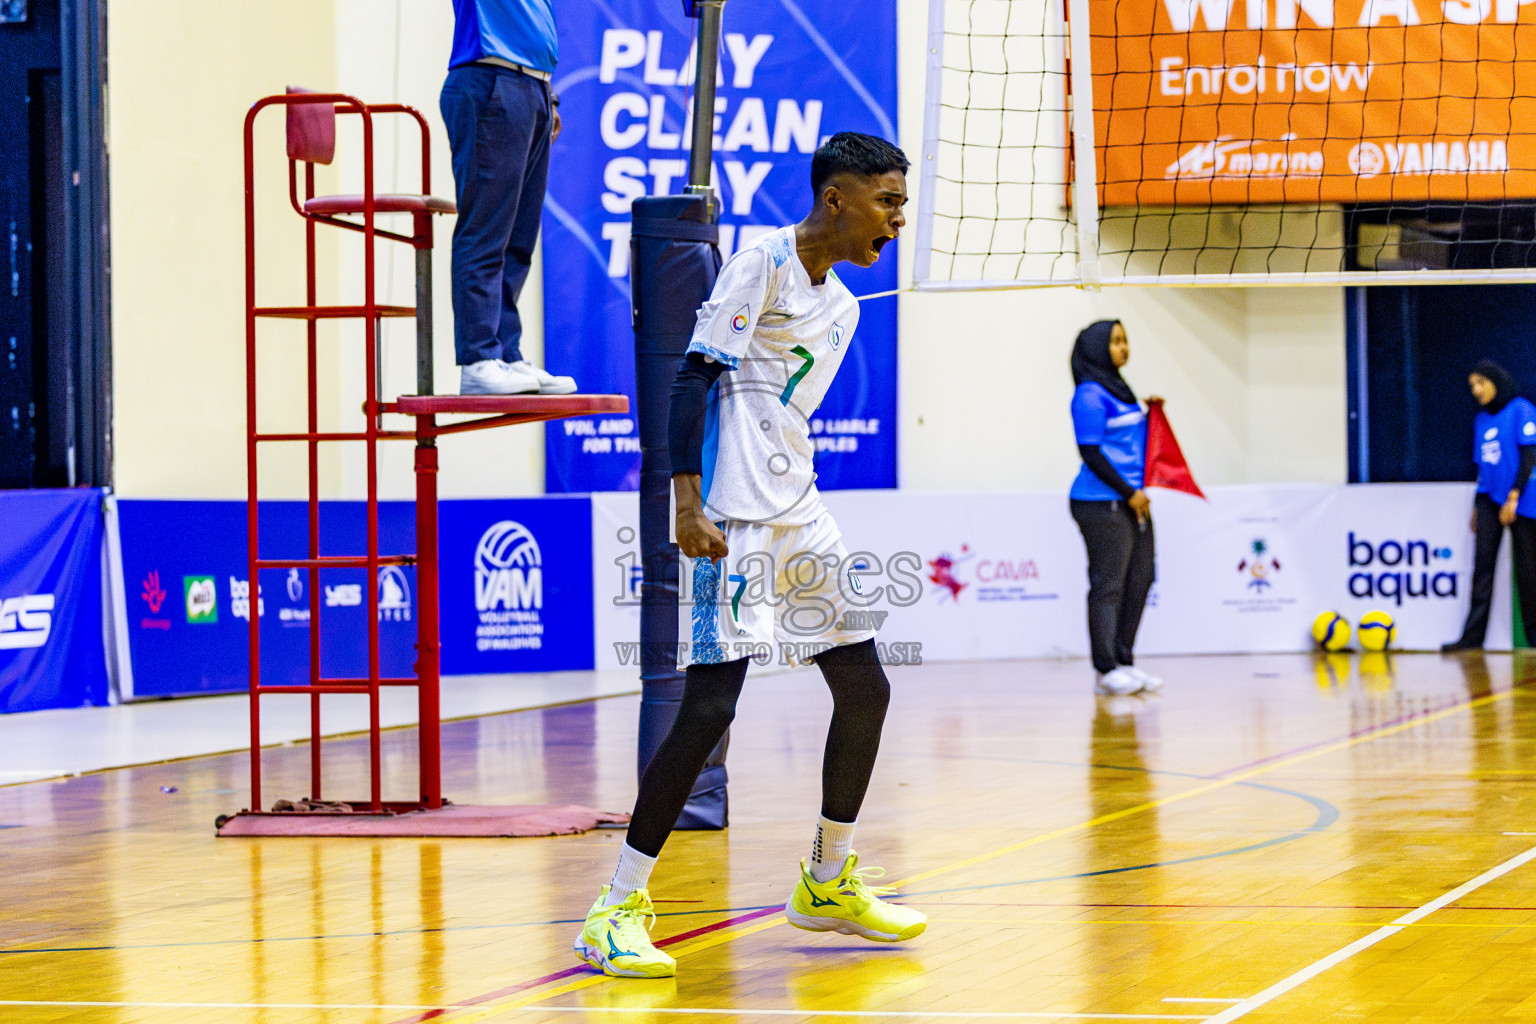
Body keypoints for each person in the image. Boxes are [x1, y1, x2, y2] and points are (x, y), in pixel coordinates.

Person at [573, 133, 925, 979]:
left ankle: (828, 880)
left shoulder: (841, 306)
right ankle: (615, 906)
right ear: (836, 199)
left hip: (799, 512)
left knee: (866, 686)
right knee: (707, 710)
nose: (898, 221)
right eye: (888, 202)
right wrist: (685, 501)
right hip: (730, 515)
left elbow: (777, 414)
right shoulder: (759, 264)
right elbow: (692, 380)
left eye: (902, 204)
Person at [442, 0, 576, 396]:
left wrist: (546, 94)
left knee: (518, 238)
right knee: (486, 230)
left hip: (532, 84)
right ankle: (478, 358)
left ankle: (505, 353)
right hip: (490, 78)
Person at [1068, 320, 1163, 697]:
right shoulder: (1089, 395)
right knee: (1108, 586)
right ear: (1096, 348)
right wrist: (1129, 493)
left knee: (1141, 578)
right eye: (1116, 341)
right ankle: (1106, 669)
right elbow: (1090, 452)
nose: (1124, 347)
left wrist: (1153, 413)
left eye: (1126, 340)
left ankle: (1125, 661)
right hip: (1100, 501)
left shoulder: (1121, 391)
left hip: (1131, 500)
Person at [1443, 360, 1536, 651]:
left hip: (1522, 500)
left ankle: (1534, 636)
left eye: (1481, 383)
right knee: (1482, 568)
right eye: (1472, 385)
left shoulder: (1521, 409)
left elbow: (1530, 456)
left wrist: (1514, 497)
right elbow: (1483, 467)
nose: (1476, 390)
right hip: (1488, 500)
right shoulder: (1481, 420)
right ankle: (1472, 638)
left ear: (1496, 381)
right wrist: (1476, 503)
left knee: (1528, 570)